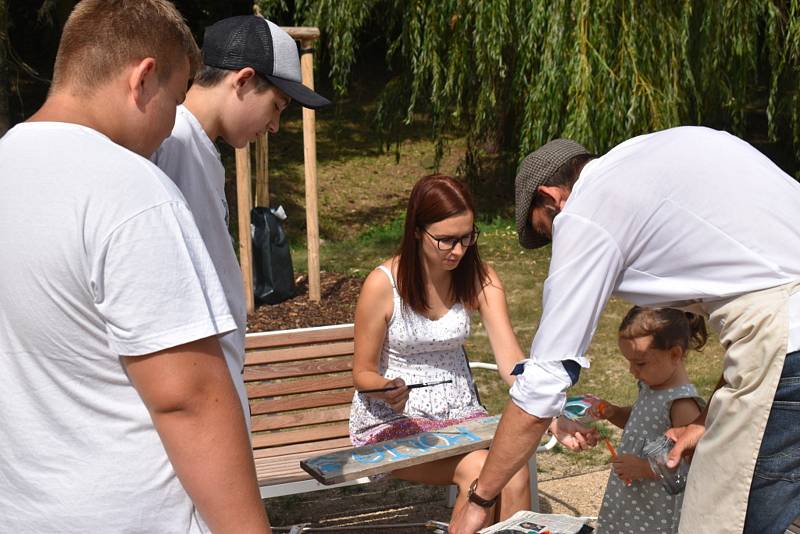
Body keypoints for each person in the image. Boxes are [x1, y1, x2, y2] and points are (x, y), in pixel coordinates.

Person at [0, 2, 270, 533]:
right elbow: (188, 400)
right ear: (143, 78)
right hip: (136, 515)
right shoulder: (129, 190)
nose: (173, 124)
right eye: (175, 99)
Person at [450, 126, 800, 534]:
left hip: (785, 343)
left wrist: (479, 500)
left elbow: (542, 384)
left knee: (719, 519)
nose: (557, 244)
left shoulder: (585, 212)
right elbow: (757, 290)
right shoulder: (653, 155)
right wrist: (707, 420)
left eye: (547, 231)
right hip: (782, 341)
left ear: (551, 197)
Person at [152, 15, 330, 426]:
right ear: (244, 80)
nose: (274, 126)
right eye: (276, 107)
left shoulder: (195, 146)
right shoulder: (173, 143)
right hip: (196, 401)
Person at [349, 174, 531, 526]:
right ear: (417, 231)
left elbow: (512, 362)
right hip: (395, 420)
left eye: (466, 237)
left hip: (462, 415)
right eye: (446, 240)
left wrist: (546, 402)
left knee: (515, 472)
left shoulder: (480, 277)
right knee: (484, 472)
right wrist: (386, 388)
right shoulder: (382, 284)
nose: (459, 251)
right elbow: (362, 373)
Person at [589, 307, 705, 533]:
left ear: (674, 354)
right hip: (634, 499)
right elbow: (639, 422)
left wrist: (644, 468)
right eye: (629, 362)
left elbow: (687, 466)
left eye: (640, 363)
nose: (632, 370)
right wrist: (614, 412)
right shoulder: (650, 387)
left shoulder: (681, 403)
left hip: (656, 508)